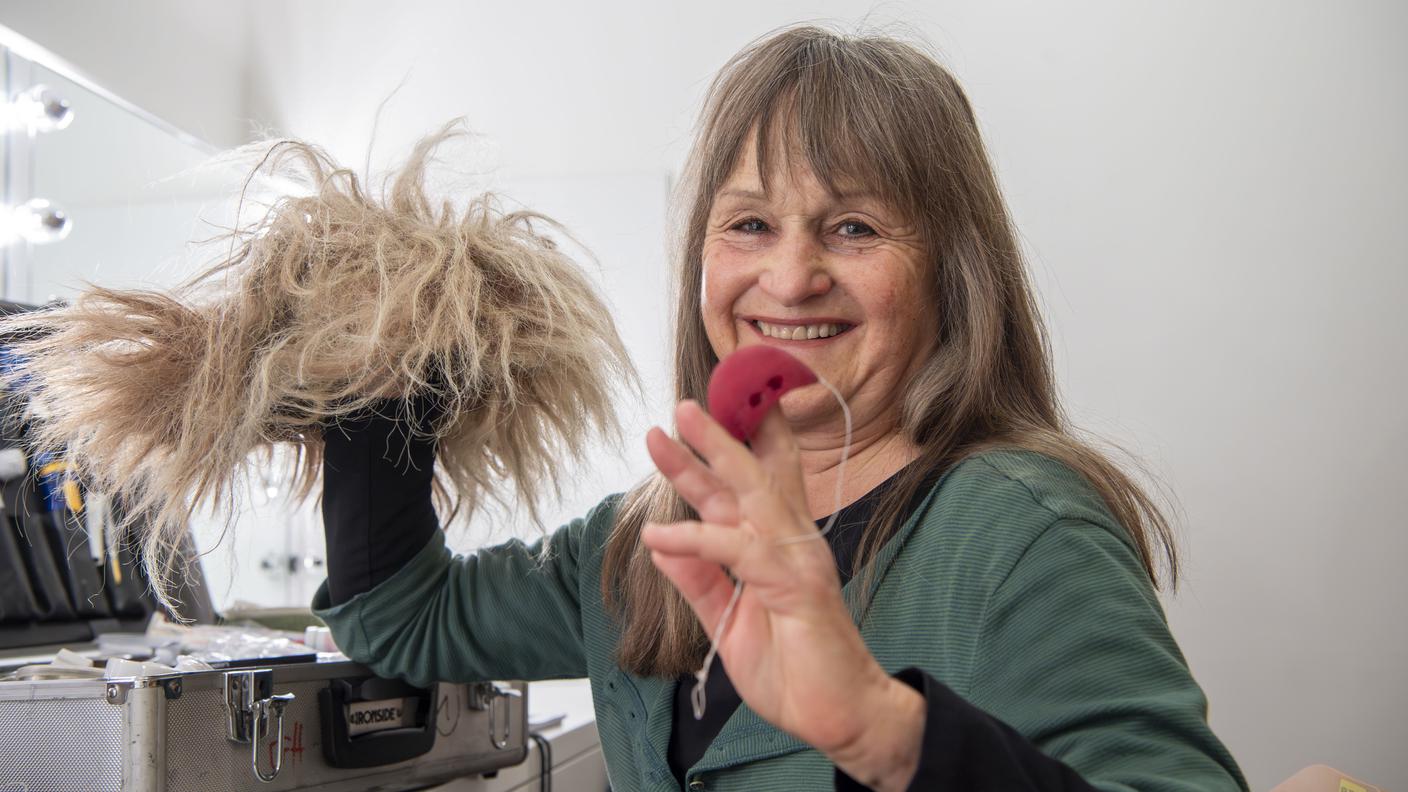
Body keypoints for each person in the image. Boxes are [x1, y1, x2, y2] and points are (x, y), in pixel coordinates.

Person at [313, 25, 1247, 791]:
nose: (792, 278)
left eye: (854, 228)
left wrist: (888, 735)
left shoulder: (1022, 531)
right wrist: (378, 350)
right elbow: (399, 617)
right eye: (751, 224)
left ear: (952, 274)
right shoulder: (645, 542)